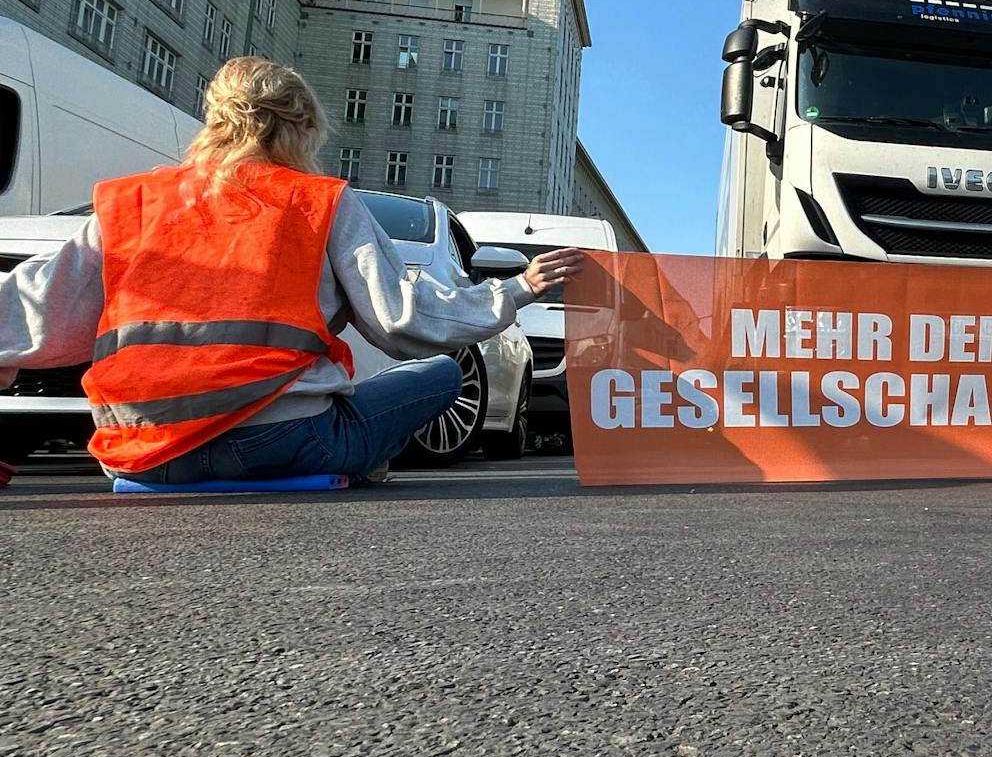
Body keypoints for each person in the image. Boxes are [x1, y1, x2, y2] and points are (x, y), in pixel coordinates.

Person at [0, 57, 587, 486]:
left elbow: (38, 305)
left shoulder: (133, 204)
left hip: (142, 450)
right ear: (301, 128)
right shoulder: (318, 201)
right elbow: (404, 321)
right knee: (436, 376)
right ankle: (356, 461)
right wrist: (518, 287)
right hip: (282, 442)